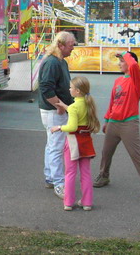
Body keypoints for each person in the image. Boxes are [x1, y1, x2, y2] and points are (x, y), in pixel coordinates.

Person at [93, 51, 140, 201]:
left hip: (129, 123)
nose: (119, 63)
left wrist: (125, 53)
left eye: (122, 61)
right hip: (114, 122)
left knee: (136, 155)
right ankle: (104, 176)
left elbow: (134, 65)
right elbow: (113, 102)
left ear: (130, 63)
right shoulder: (118, 81)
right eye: (119, 61)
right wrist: (107, 120)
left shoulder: (136, 80)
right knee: (106, 152)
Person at [51, 76, 100, 211]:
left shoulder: (74, 107)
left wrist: (59, 127)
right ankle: (87, 202)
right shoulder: (88, 104)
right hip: (86, 141)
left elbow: (72, 126)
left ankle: (68, 202)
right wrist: (66, 107)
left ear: (77, 91)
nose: (69, 89)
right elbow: (77, 112)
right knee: (86, 173)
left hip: (73, 142)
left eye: (71, 87)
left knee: (70, 173)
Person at [38, 31, 77, 199]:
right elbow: (46, 87)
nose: (73, 48)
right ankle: (59, 183)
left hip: (55, 109)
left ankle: (50, 177)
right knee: (57, 146)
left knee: (52, 144)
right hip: (53, 110)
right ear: (60, 45)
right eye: (71, 45)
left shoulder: (60, 61)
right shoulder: (53, 62)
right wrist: (59, 105)